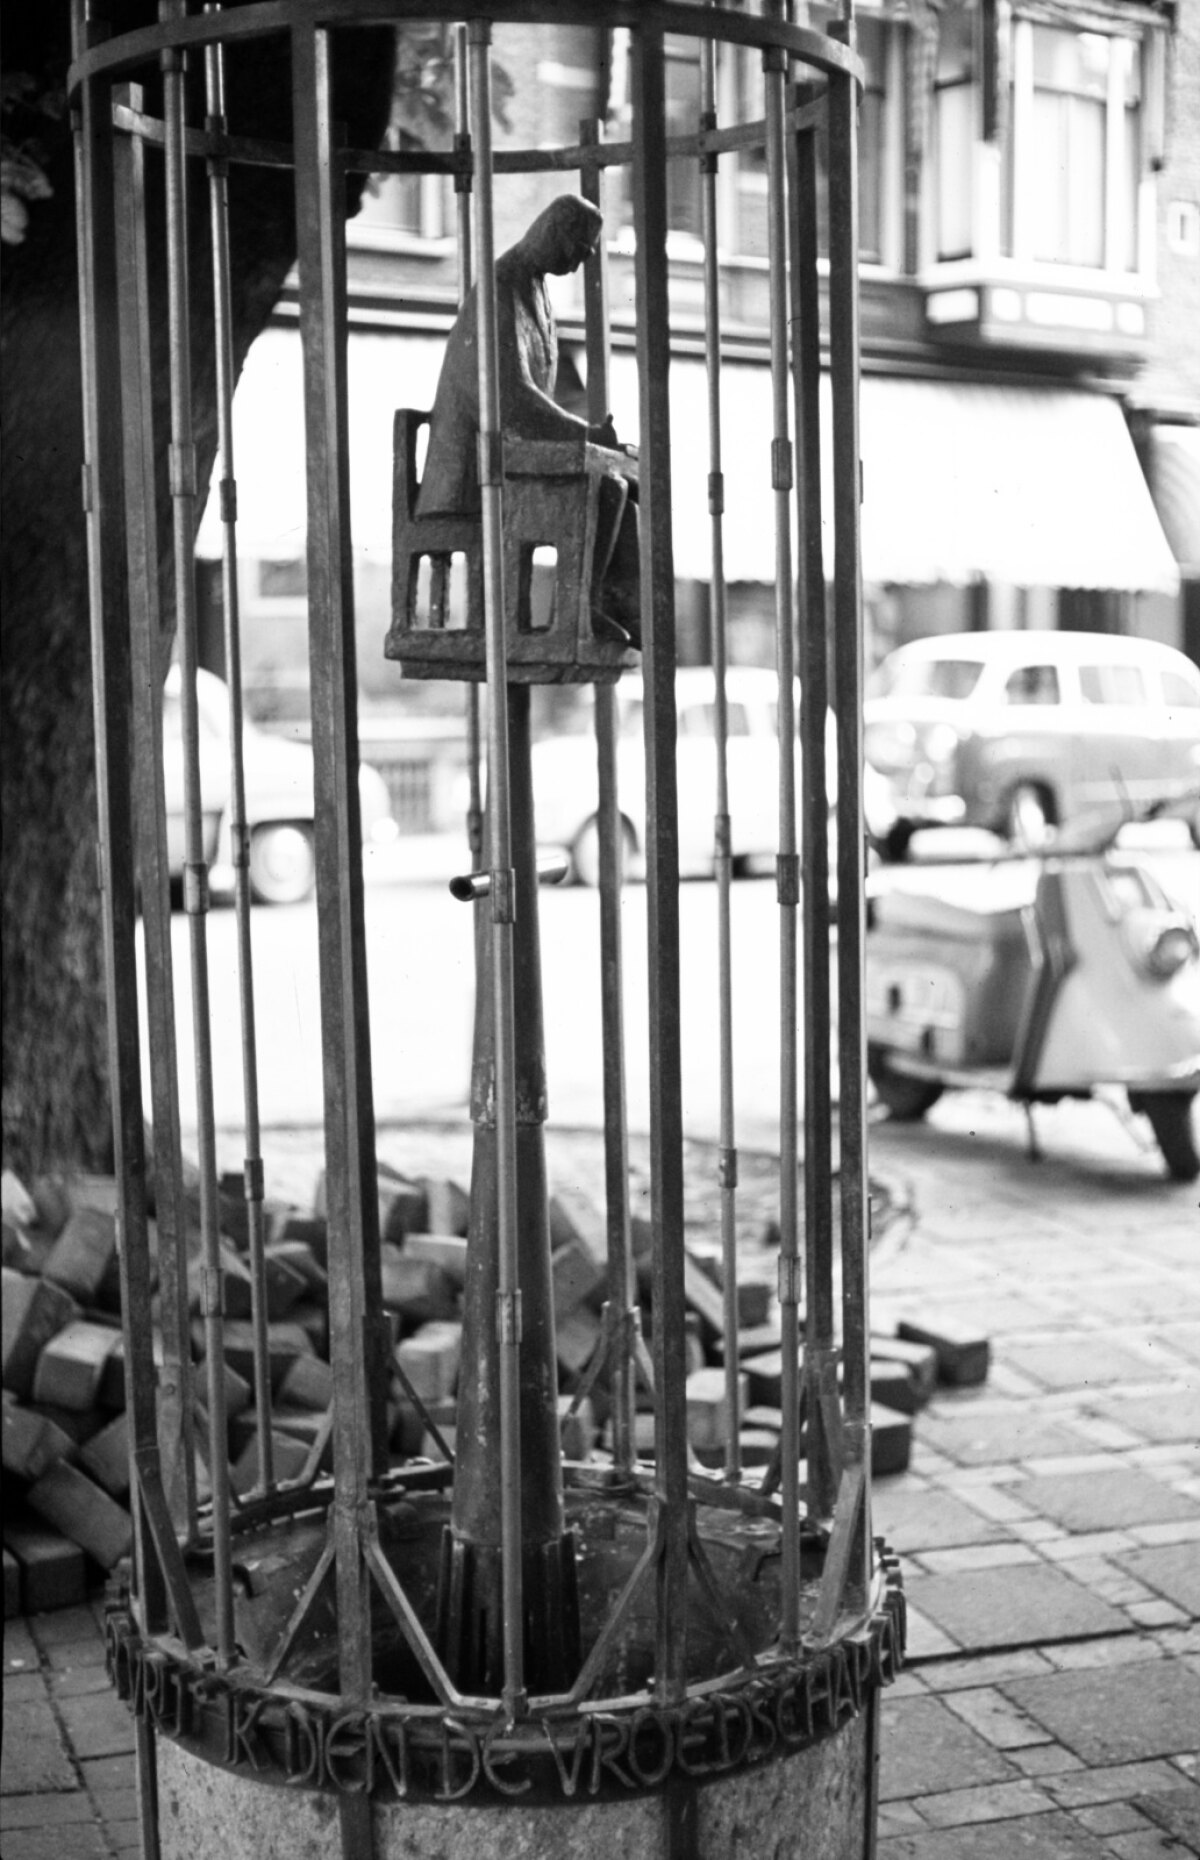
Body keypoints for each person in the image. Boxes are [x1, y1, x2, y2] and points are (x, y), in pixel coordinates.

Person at [417, 193, 640, 647]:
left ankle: (607, 608)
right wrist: (587, 435)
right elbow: (513, 399)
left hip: (505, 457)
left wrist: (597, 440)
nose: (578, 266)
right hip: (473, 468)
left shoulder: (531, 287)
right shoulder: (500, 289)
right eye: (578, 253)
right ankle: (579, 611)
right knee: (608, 488)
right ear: (555, 232)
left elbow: (536, 394)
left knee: (628, 483)